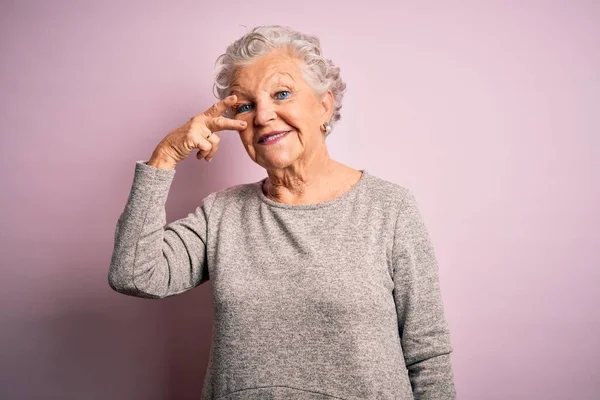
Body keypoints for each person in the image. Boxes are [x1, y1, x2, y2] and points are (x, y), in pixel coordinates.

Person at [109, 25, 456, 399]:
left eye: (282, 94)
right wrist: (165, 156)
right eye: (245, 105)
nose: (262, 116)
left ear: (325, 104)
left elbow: (428, 354)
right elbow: (134, 274)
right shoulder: (221, 213)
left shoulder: (390, 209)